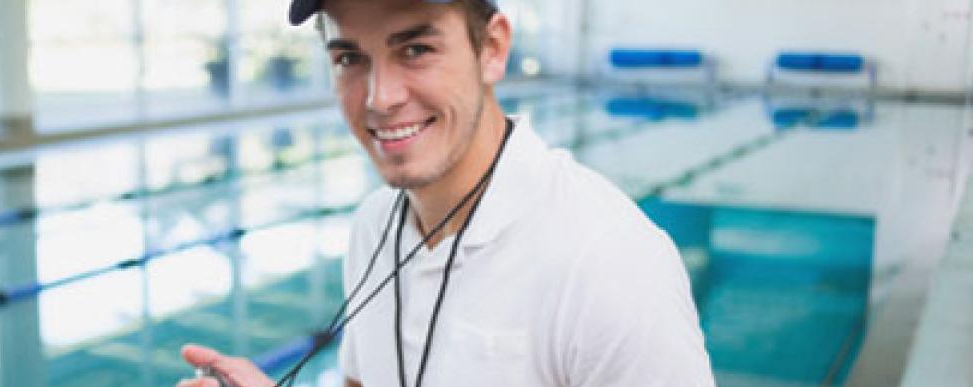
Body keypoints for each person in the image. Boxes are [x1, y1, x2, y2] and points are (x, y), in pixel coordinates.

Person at [176, 0, 715, 385]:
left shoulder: (607, 260)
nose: (380, 98)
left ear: (492, 49)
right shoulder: (374, 225)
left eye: (415, 48)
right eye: (349, 59)